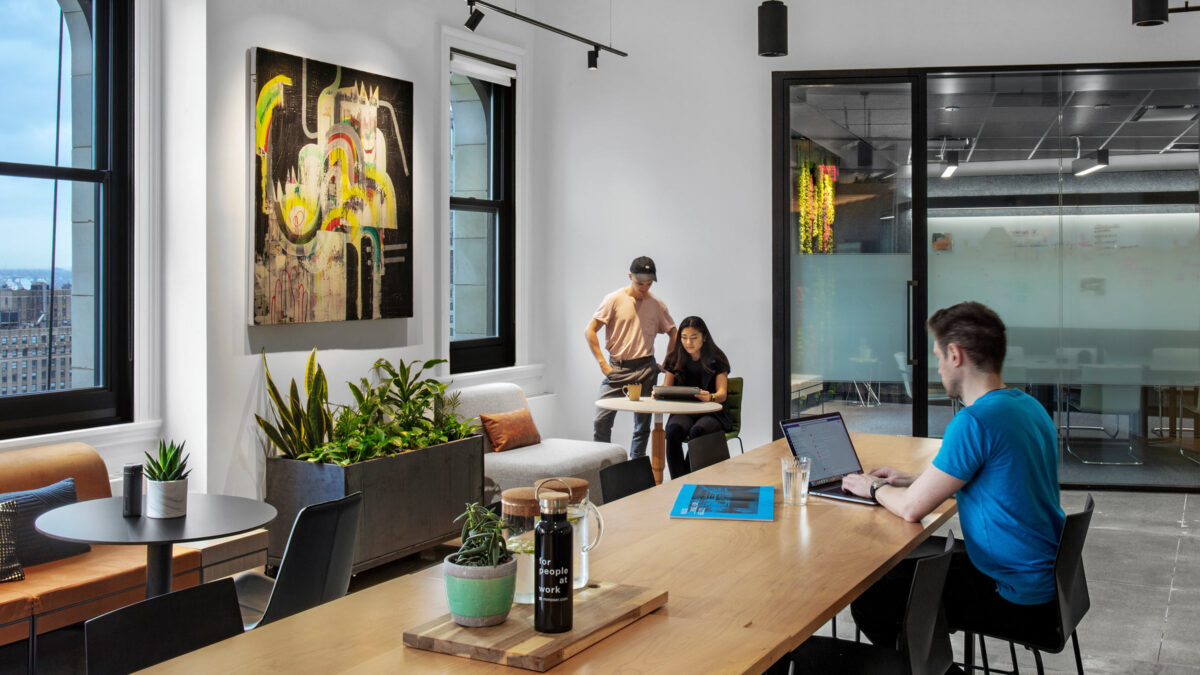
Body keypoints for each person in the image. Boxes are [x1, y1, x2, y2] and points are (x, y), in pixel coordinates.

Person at [842, 301, 1066, 649]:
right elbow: (998, 478)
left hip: (1012, 592)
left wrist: (871, 487)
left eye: (938, 358)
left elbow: (912, 510)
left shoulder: (975, 421)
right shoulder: (1027, 406)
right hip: (1044, 582)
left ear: (955, 355)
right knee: (905, 575)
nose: (939, 369)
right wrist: (912, 479)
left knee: (874, 600)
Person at [585, 256, 677, 459]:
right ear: (630, 276)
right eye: (639, 283)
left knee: (642, 426)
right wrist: (603, 364)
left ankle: (636, 469)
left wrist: (668, 362)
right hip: (617, 368)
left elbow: (673, 332)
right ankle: (603, 468)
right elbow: (590, 331)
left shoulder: (656, 304)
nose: (644, 287)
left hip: (646, 368)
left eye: (648, 283)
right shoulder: (614, 299)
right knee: (601, 421)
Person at [656, 316, 732, 478]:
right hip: (684, 410)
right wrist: (659, 393)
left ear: (704, 337)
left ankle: (689, 478)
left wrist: (710, 397)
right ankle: (678, 480)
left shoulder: (717, 359)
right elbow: (666, 387)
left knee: (698, 431)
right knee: (672, 431)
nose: (688, 342)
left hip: (712, 412)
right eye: (684, 338)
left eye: (693, 338)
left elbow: (722, 394)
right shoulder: (674, 358)